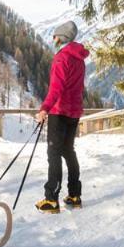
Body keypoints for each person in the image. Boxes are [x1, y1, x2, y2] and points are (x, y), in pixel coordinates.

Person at [35, 21, 89, 213]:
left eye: (55, 36)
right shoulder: (79, 58)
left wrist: (44, 109)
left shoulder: (61, 58)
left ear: (62, 38)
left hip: (59, 111)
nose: (53, 39)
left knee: (54, 153)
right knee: (68, 150)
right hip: (74, 111)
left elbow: (56, 88)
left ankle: (51, 199)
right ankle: (74, 195)